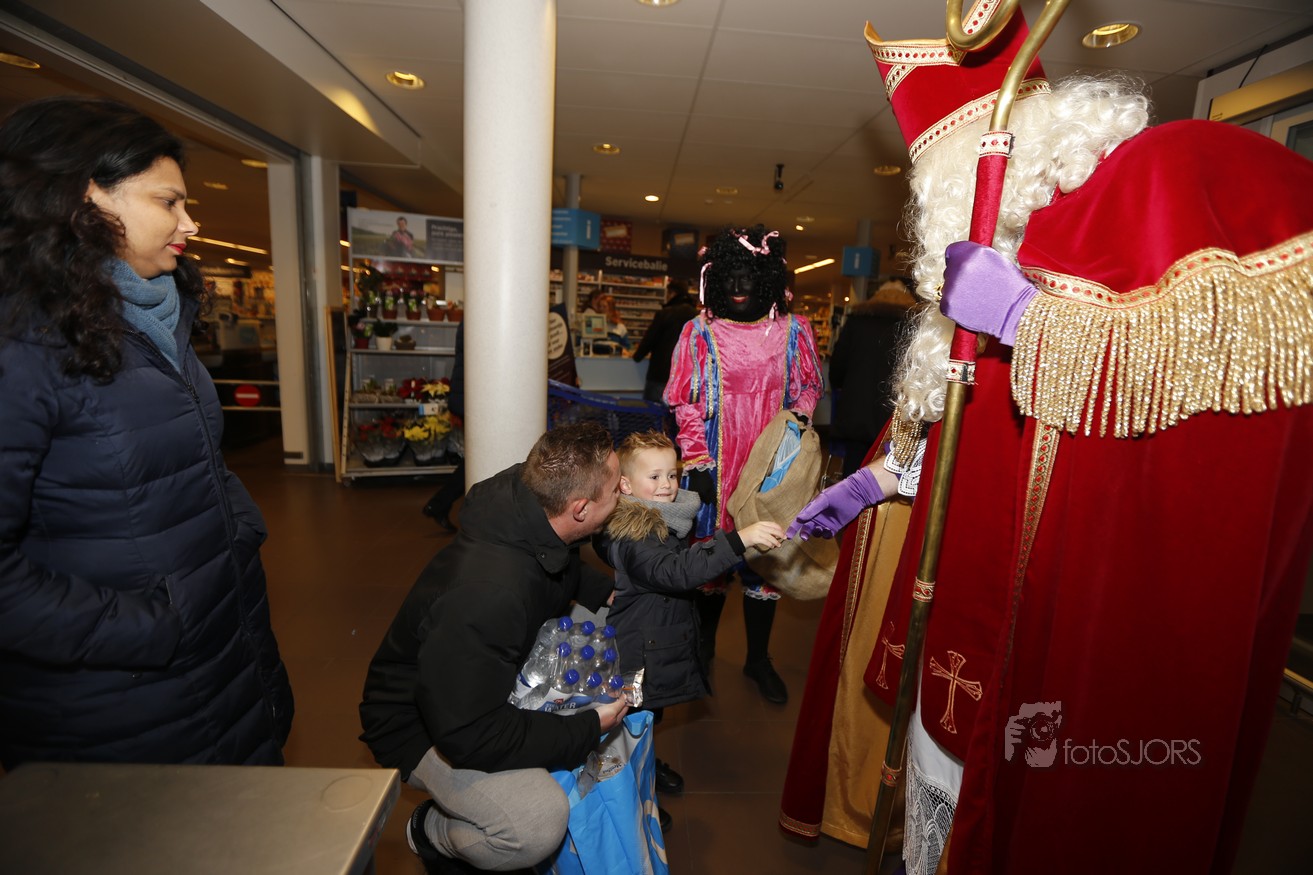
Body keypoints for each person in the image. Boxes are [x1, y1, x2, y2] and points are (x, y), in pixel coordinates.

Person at [785, 5, 1313, 874]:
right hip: (964, 623)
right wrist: (879, 481)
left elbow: (1200, 364)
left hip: (1079, 631)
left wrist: (1028, 322)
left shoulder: (1160, 184)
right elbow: (973, 444)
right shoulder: (990, 270)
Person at [0, 96, 294, 768]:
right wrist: (151, 627)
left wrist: (234, 545)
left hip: (218, 653)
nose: (189, 222)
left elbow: (191, 460)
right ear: (86, 197)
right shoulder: (22, 344)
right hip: (113, 699)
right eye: (169, 201)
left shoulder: (156, 318)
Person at [359, 422, 630, 874]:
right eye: (616, 487)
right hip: (417, 722)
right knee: (536, 822)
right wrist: (585, 727)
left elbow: (556, 560)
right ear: (580, 509)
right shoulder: (489, 595)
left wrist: (606, 591)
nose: (623, 490)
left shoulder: (533, 505)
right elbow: (472, 734)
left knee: (604, 635)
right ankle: (432, 831)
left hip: (479, 682)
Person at [665, 224, 824, 704]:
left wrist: (795, 427)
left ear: (768, 279)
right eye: (729, 277)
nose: (738, 287)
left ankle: (758, 659)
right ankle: (702, 651)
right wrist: (697, 458)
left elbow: (807, 388)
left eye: (749, 277)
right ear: (715, 279)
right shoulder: (699, 332)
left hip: (770, 465)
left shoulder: (794, 331)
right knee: (713, 563)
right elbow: (684, 401)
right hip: (716, 464)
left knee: (765, 561)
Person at [594, 430, 786, 820]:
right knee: (627, 726)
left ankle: (646, 766)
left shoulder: (661, 517)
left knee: (648, 717)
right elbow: (677, 571)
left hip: (655, 642)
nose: (666, 484)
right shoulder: (634, 533)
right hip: (638, 652)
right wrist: (738, 541)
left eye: (672, 474)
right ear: (625, 485)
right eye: (654, 476)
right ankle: (631, 797)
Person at [828, 279, 915, 477]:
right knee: (888, 472)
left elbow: (838, 365)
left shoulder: (857, 321)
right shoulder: (911, 326)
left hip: (857, 411)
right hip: (893, 415)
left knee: (853, 470)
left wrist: (841, 389)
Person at [422, 321, 465, 533]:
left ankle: (439, 504)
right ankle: (439, 503)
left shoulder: (473, 316)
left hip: (466, 395)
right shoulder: (481, 316)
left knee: (477, 458)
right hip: (472, 397)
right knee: (479, 458)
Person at [631, 279, 699, 403]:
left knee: (652, 410)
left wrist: (637, 357)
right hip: (685, 376)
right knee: (677, 412)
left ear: (672, 293)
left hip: (660, 373)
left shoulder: (665, 313)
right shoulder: (697, 316)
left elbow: (649, 340)